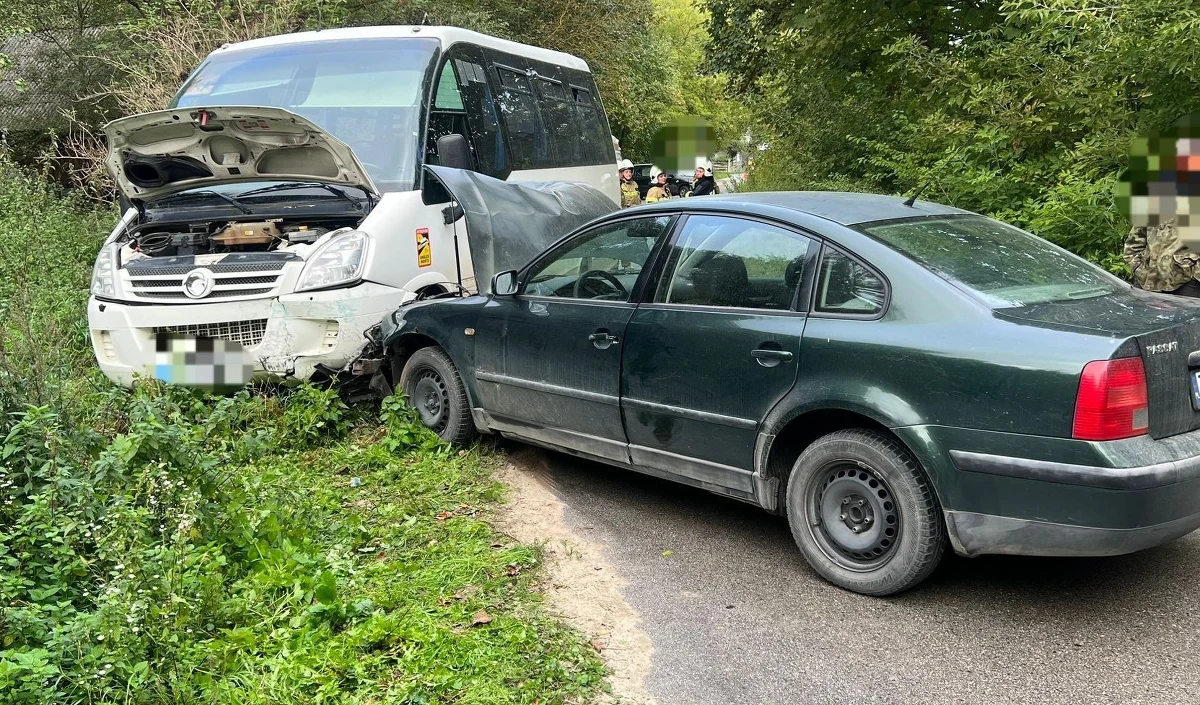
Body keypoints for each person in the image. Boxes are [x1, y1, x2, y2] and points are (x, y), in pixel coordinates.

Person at [1123, 221, 1200, 297]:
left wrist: (1195, 277)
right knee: (1139, 309)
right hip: (1145, 280)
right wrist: (1136, 266)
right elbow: (1134, 242)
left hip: (1185, 284)